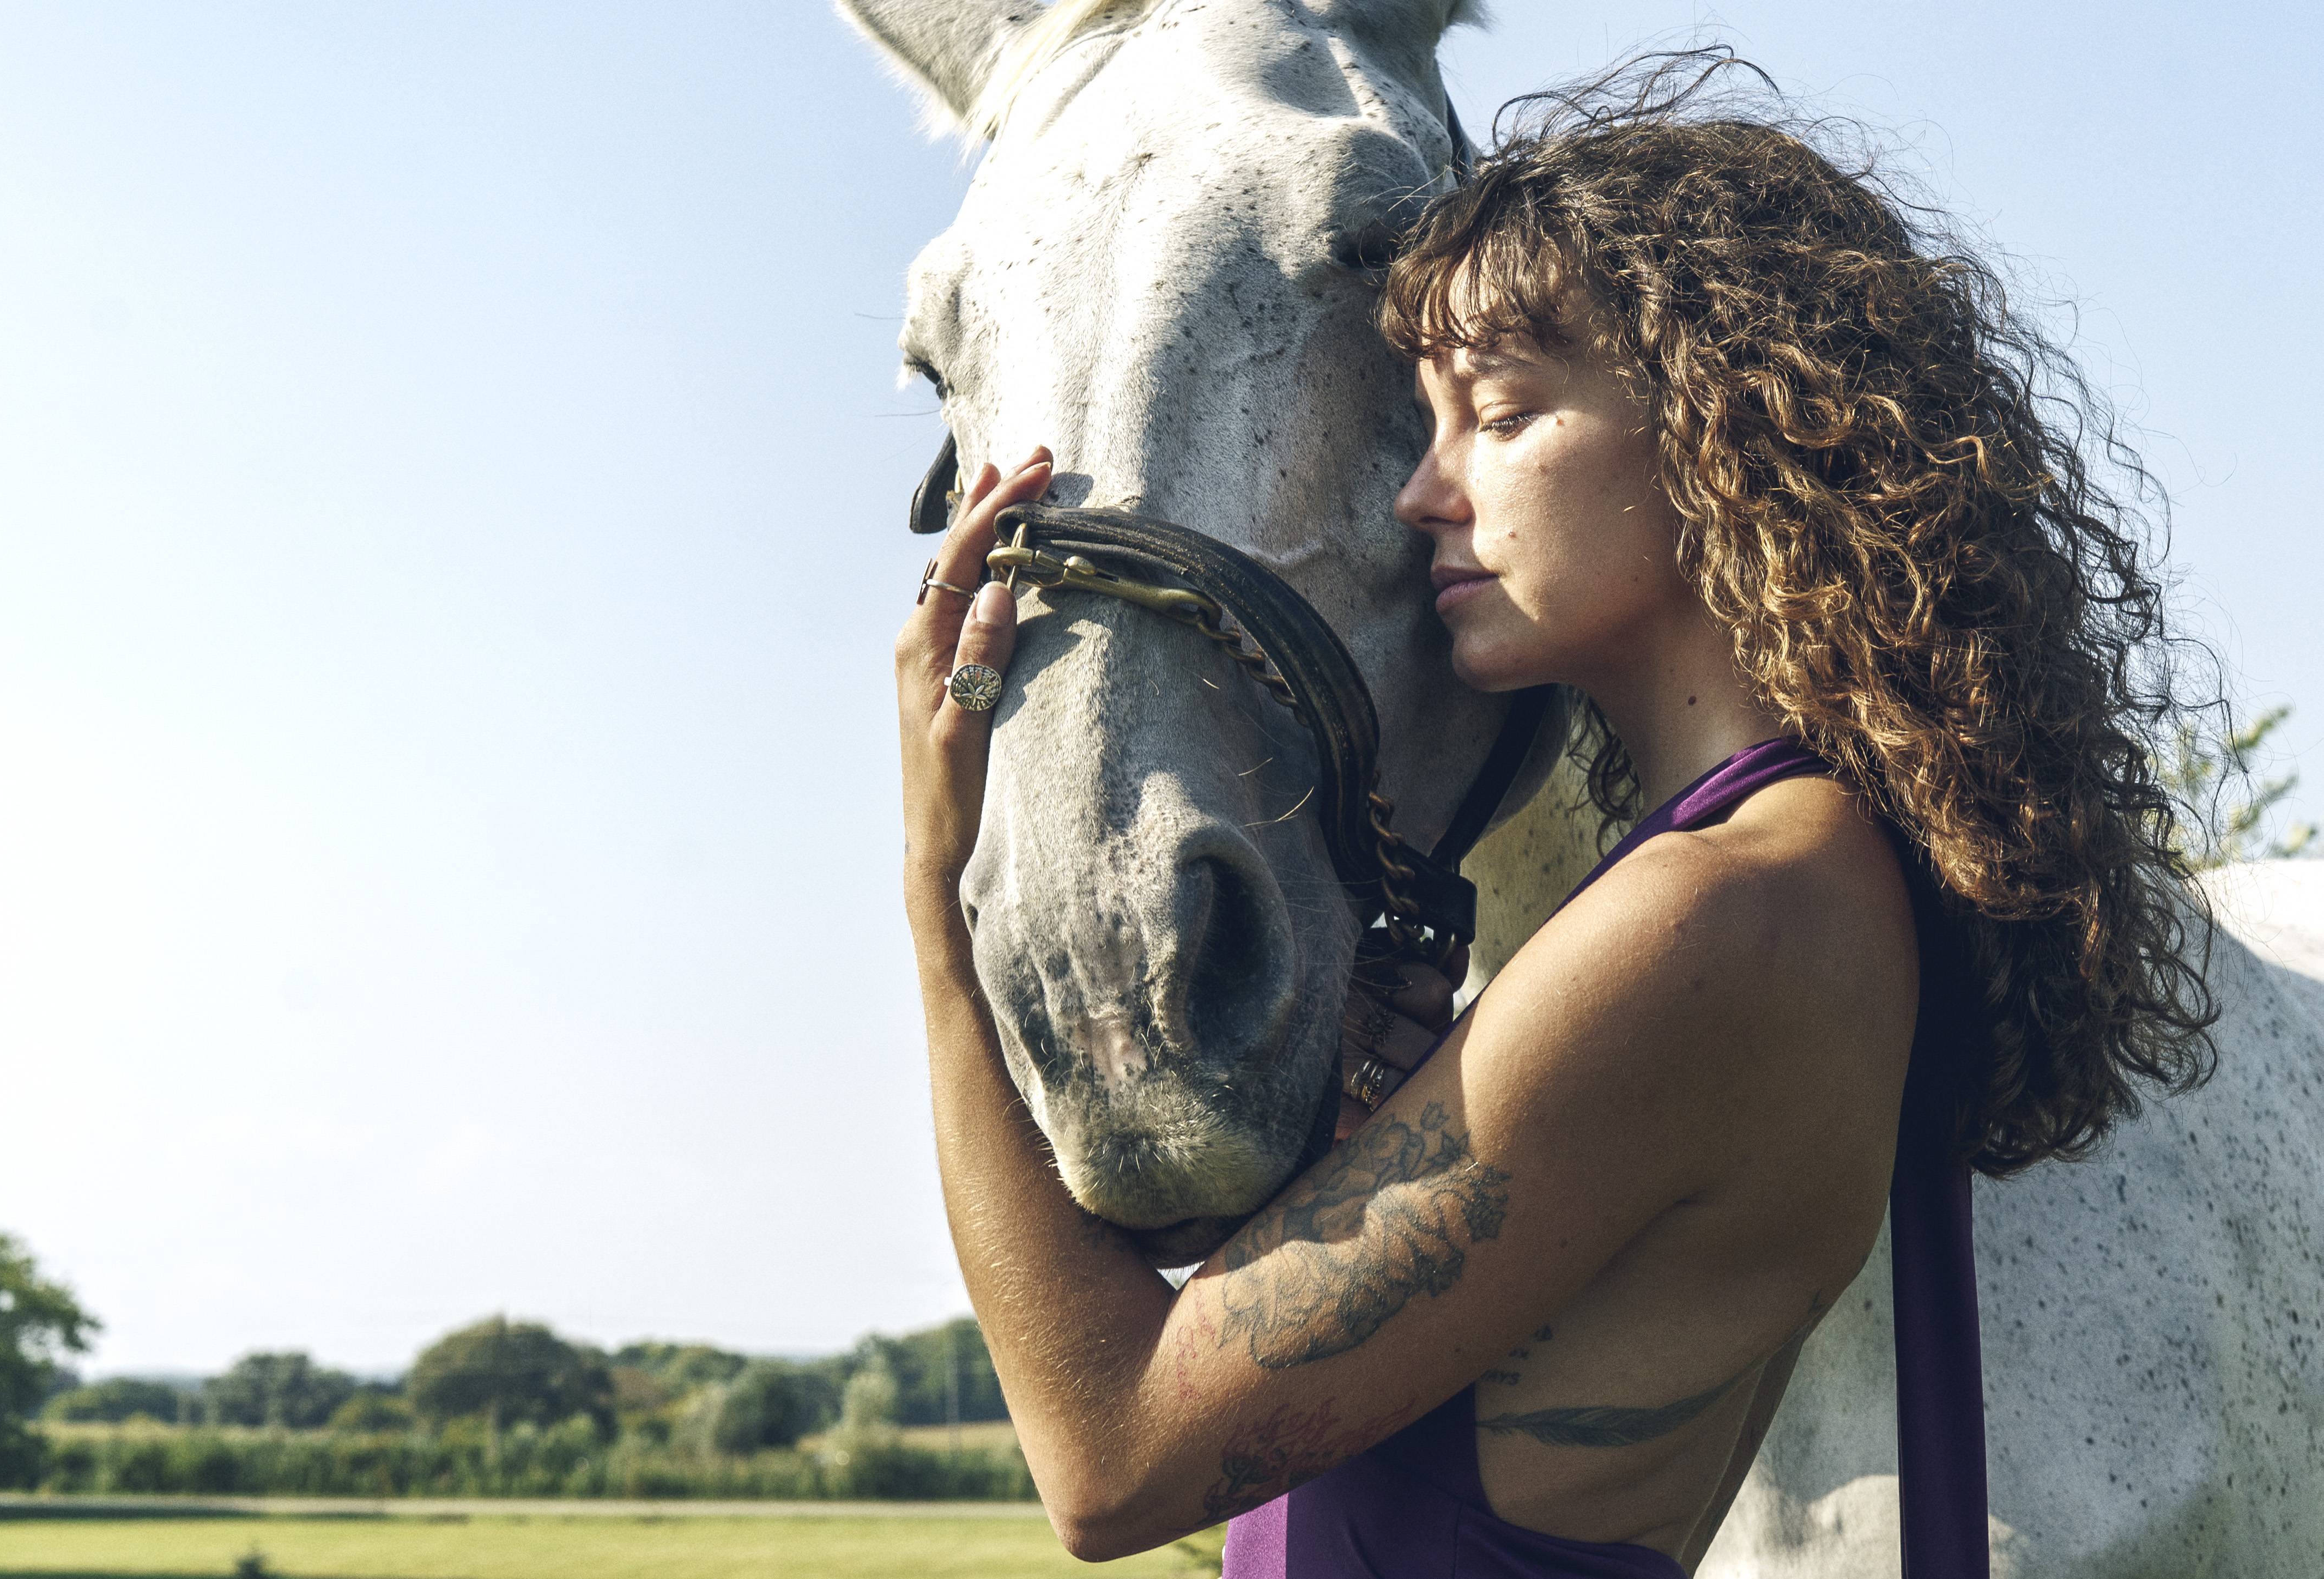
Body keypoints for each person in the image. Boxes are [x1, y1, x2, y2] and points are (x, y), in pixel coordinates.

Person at [892, 54, 2214, 1578]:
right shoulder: (1757, 878)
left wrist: (935, 893)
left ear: (1717, 431)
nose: (1422, 492)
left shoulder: (1721, 916)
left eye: (1497, 417)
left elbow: (1110, 1466)